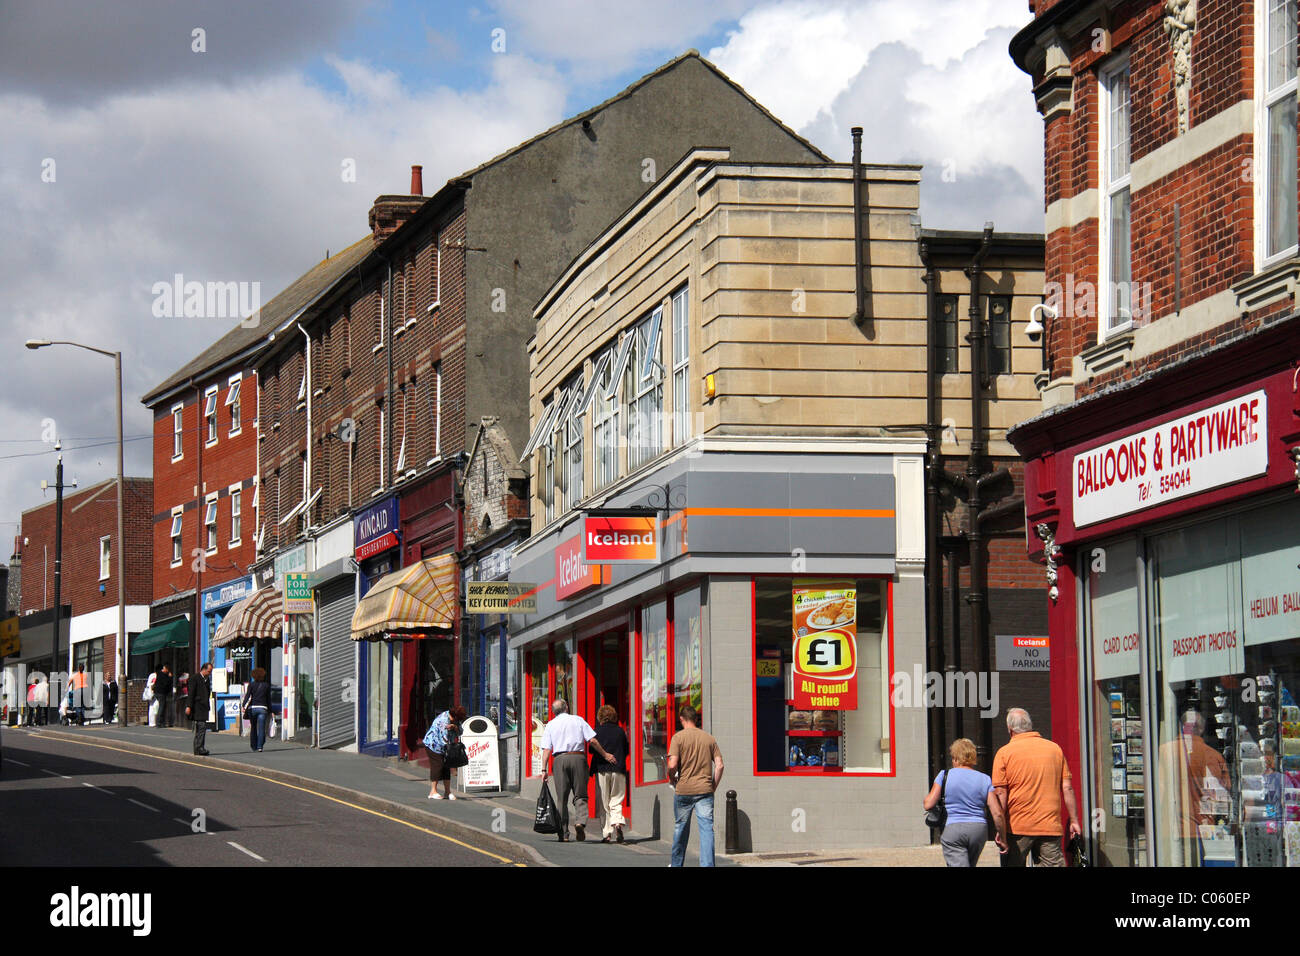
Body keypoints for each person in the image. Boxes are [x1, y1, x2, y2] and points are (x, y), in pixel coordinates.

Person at [992, 707, 1081, 867]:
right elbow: (1067, 788)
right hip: (1049, 825)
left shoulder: (1004, 753)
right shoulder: (1055, 749)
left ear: (1009, 729)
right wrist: (1074, 820)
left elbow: (1001, 794)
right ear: (1030, 726)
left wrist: (1001, 828)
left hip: (1017, 826)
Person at [1158, 710, 1231, 866]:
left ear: (1181, 727)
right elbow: (1223, 796)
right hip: (1202, 829)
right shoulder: (1213, 755)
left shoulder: (1164, 751)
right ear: (1202, 729)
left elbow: (1159, 790)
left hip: (1171, 828)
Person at [539, 698, 617, 842]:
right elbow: (592, 740)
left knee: (561, 799)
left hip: (559, 760)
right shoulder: (578, 720)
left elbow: (546, 749)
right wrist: (605, 754)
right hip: (578, 758)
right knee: (580, 794)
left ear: (554, 712)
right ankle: (580, 822)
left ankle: (564, 833)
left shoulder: (550, 725)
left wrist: (543, 770)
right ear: (566, 707)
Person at [923, 737, 1007, 867]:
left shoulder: (944, 775)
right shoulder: (984, 779)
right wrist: (1002, 837)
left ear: (956, 758)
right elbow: (997, 813)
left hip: (953, 829)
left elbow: (928, 804)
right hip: (978, 830)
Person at [667, 704, 724, 867]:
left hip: (684, 790)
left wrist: (672, 778)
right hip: (705, 790)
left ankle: (676, 864)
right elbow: (719, 765)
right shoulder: (709, 738)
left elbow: (672, 765)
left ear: (681, 719)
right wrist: (713, 786)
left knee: (680, 829)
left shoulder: (678, 738)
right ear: (696, 719)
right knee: (707, 830)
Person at [591, 704, 630, 843]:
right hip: (618, 769)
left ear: (600, 717)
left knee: (604, 802)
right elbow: (626, 751)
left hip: (602, 769)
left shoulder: (596, 731)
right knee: (617, 799)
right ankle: (618, 823)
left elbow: (591, 750)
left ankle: (607, 833)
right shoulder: (620, 731)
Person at [424, 705, 468, 799]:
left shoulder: (455, 719)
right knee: (438, 765)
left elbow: (460, 732)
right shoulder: (443, 720)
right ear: (454, 715)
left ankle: (447, 792)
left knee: (446, 767)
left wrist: (455, 727)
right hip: (433, 745)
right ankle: (433, 791)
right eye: (456, 719)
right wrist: (450, 750)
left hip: (445, 747)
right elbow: (443, 739)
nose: (456, 721)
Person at [241, 667, 273, 752]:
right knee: (262, 728)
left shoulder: (251, 685)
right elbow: (268, 699)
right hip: (263, 708)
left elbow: (247, 696)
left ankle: (253, 746)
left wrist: (243, 705)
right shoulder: (266, 685)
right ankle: (260, 746)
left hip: (253, 708)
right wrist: (271, 710)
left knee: (253, 728)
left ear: (254, 676)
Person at [186, 662, 213, 755]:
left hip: (204, 707)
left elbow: (208, 692)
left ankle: (198, 748)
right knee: (201, 727)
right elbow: (191, 693)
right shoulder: (195, 678)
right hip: (197, 706)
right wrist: (188, 706)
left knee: (201, 728)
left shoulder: (207, 679)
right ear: (204, 669)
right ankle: (199, 748)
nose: (210, 673)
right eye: (209, 671)